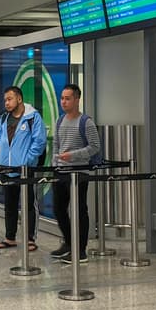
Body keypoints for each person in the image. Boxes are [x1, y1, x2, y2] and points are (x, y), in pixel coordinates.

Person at [50, 84, 101, 264]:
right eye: (62, 98)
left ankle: (80, 250)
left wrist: (72, 156)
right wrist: (55, 164)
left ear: (77, 100)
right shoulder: (59, 121)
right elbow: (56, 145)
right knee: (58, 209)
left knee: (79, 211)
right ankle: (69, 243)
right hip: (60, 172)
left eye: (67, 98)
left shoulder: (86, 122)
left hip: (79, 172)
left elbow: (94, 147)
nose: (63, 102)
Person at [0, 85, 47, 252]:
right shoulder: (4, 118)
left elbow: (39, 142)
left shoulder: (33, 117)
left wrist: (27, 160)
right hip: (6, 169)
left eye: (9, 99)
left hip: (25, 169)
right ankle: (10, 238)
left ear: (19, 98)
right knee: (9, 205)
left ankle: (30, 239)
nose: (6, 103)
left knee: (29, 205)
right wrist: (0, 156)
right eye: (5, 100)